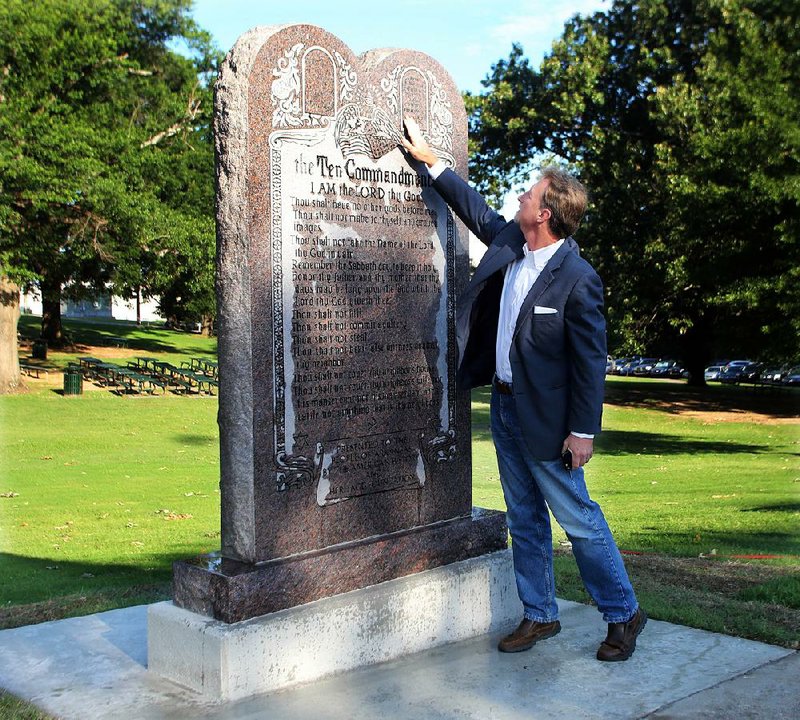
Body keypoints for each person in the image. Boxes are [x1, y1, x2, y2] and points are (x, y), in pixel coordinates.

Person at [401, 116, 646, 662]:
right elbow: (475, 208)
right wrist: (430, 161)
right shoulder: (512, 241)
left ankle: (623, 612)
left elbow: (589, 363)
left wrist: (582, 432)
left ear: (546, 214)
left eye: (528, 193)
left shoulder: (579, 281)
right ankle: (540, 614)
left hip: (552, 426)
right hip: (506, 410)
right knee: (524, 519)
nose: (518, 195)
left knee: (579, 521)